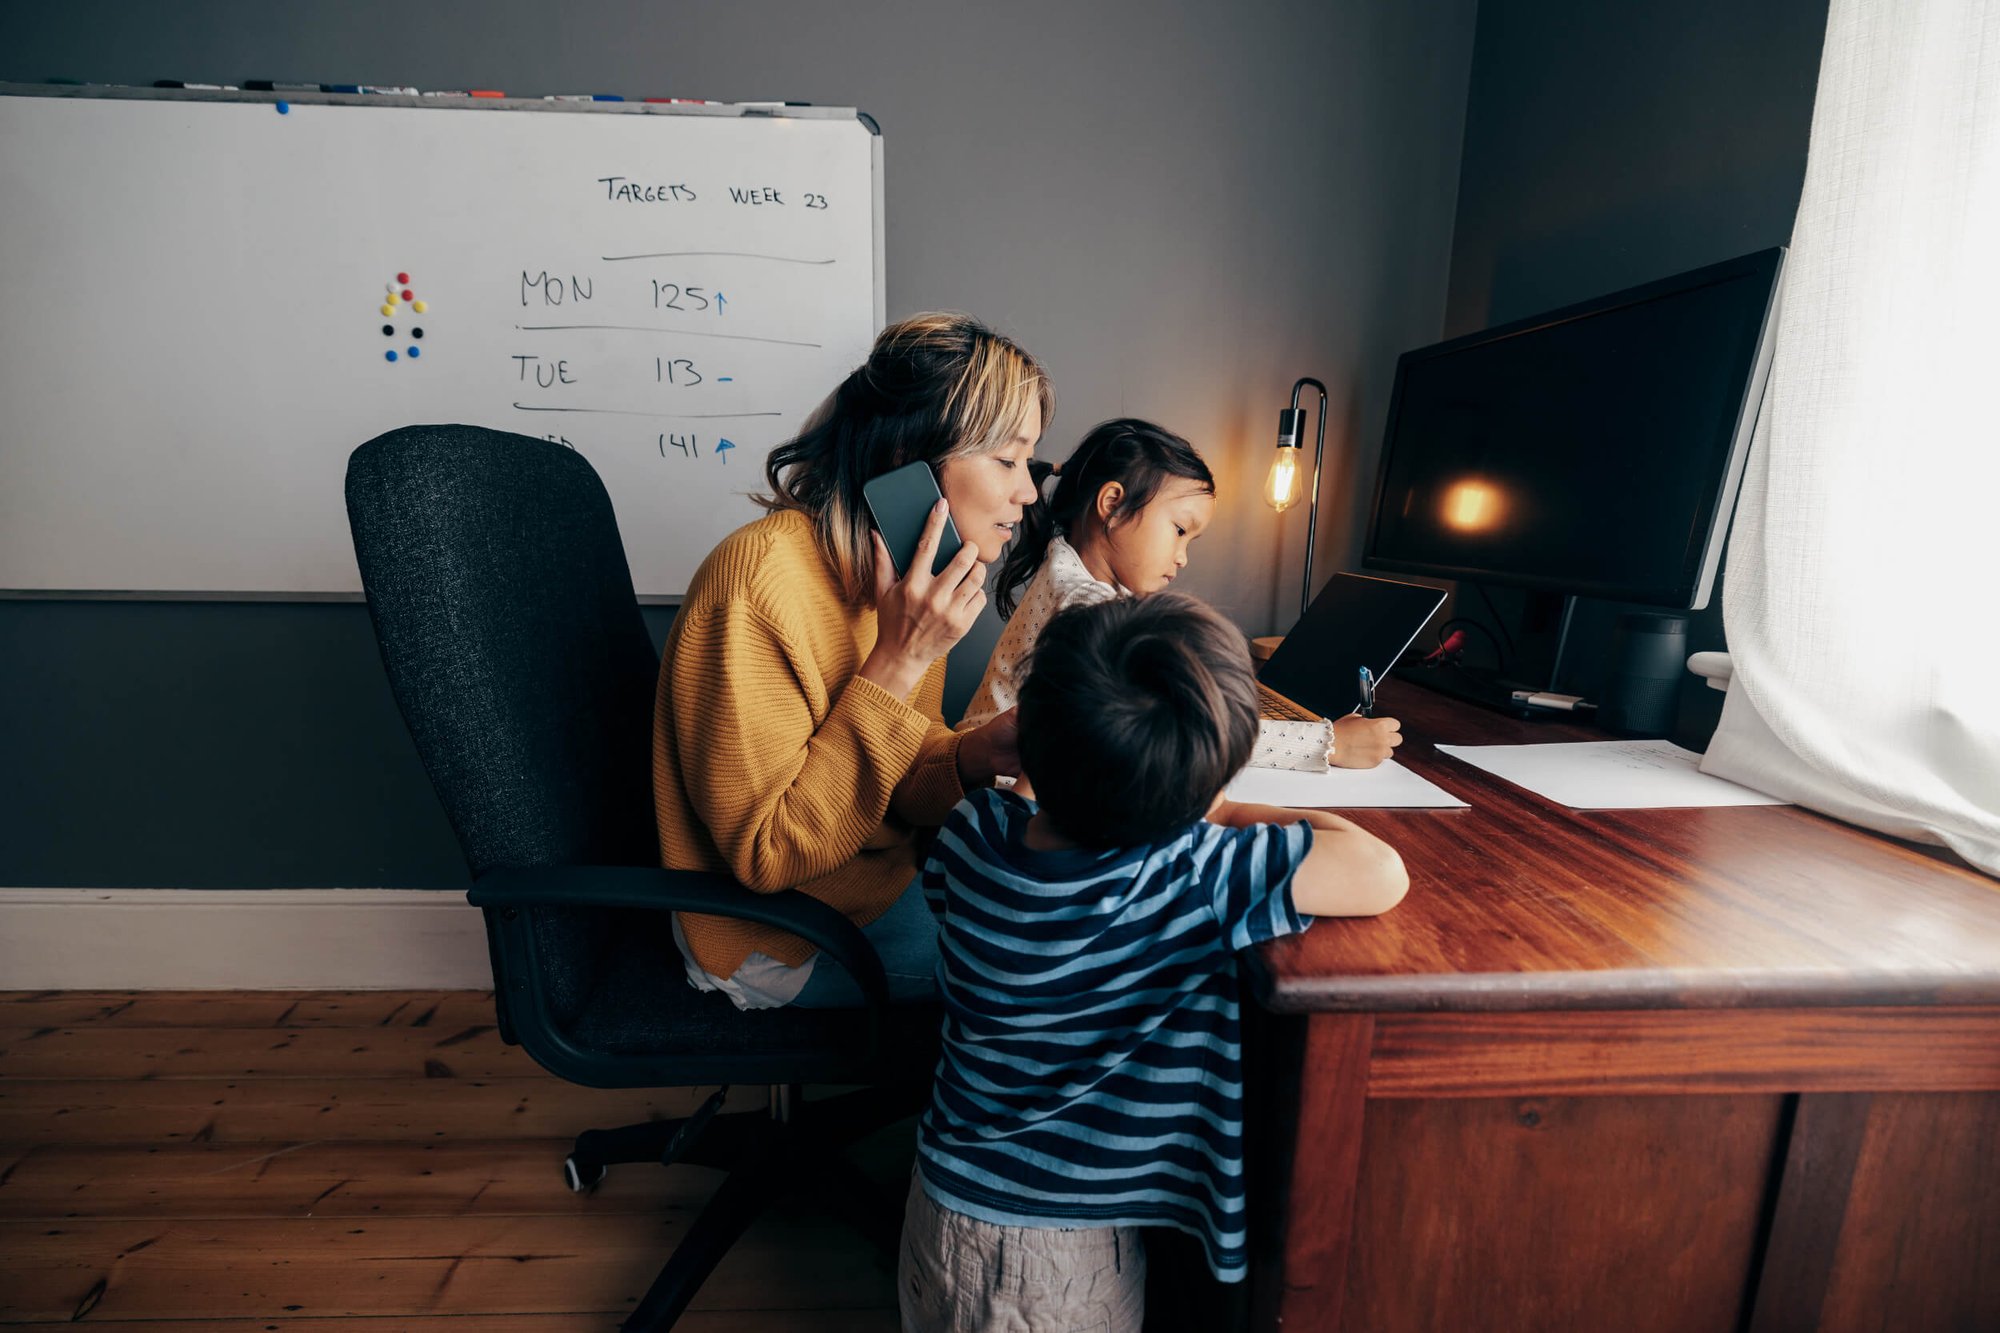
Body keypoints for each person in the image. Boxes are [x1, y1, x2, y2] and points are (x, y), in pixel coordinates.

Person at [901, 592, 1409, 1333]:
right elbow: (1378, 869)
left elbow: (1015, 822)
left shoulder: (972, 829)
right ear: (1207, 780)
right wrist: (1222, 810)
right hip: (1056, 1262)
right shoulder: (1191, 873)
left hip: (942, 1198)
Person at [652, 313, 1048, 1009]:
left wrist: (970, 756)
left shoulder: (892, 577)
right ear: (911, 460)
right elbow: (767, 855)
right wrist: (898, 660)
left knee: (1076, 930)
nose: (1029, 492)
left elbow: (889, 777)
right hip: (777, 935)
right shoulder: (757, 581)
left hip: (873, 887)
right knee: (1050, 983)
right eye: (1007, 459)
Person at [964, 417, 1405, 772]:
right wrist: (1328, 744)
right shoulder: (1084, 604)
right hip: (1005, 795)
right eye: (1179, 531)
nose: (1182, 558)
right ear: (1112, 505)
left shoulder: (1071, 570)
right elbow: (1178, 728)